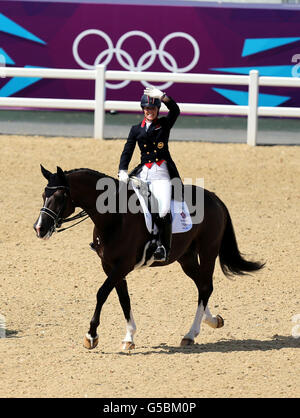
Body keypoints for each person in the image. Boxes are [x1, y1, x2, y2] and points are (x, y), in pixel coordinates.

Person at [118, 86, 181, 262]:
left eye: (152, 109)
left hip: (161, 173)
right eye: (147, 109)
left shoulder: (164, 125)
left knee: (163, 210)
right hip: (142, 173)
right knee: (118, 199)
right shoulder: (136, 129)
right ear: (143, 110)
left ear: (157, 110)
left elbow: (176, 110)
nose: (149, 111)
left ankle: (163, 247)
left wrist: (163, 96)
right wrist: (122, 170)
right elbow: (127, 151)